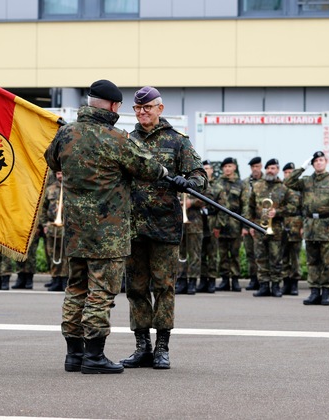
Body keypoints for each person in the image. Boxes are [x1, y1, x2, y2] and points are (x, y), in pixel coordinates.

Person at [45, 79, 168, 374]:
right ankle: (94, 357)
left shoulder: (66, 133)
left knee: (76, 289)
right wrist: (165, 170)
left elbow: (52, 160)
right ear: (114, 106)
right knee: (101, 293)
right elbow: (148, 168)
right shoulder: (116, 138)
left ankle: (73, 355)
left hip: (75, 230)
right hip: (107, 233)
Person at [123, 86, 207, 370]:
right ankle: (141, 346)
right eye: (137, 108)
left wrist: (188, 182)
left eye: (147, 108)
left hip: (164, 227)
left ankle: (162, 347)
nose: (142, 112)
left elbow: (200, 176)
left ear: (160, 108)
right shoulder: (127, 141)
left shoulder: (177, 142)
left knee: (163, 287)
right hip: (133, 227)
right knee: (135, 288)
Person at [285, 151, 329, 306]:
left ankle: (326, 292)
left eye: (321, 160)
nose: (319, 163)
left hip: (327, 224)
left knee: (327, 261)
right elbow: (288, 183)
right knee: (312, 261)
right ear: (313, 164)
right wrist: (302, 167)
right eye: (316, 161)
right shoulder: (306, 181)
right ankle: (314, 291)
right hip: (310, 225)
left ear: (325, 162)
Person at [246, 158, 298, 297]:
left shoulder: (283, 188)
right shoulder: (257, 186)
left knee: (276, 258)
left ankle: (275, 286)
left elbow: (293, 205)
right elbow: (249, 207)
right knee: (260, 257)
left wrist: (278, 212)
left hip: (276, 228)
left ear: (277, 170)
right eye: (268, 168)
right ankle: (263, 285)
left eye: (273, 168)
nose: (270, 170)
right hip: (258, 226)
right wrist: (250, 224)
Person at [210, 157, 249, 292]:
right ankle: (225, 280)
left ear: (235, 168)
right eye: (225, 166)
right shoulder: (217, 183)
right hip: (219, 224)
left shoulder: (241, 184)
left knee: (235, 253)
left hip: (235, 223)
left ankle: (236, 280)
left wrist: (245, 226)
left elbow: (245, 206)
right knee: (222, 253)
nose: (227, 169)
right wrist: (216, 225)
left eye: (230, 166)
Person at [39, 170, 69, 292]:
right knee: (53, 254)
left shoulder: (71, 189)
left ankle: (64, 280)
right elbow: (43, 208)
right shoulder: (50, 189)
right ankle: (55, 279)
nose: (60, 176)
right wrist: (45, 224)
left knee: (65, 256)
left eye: (62, 173)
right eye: (57, 174)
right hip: (52, 227)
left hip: (66, 227)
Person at [175, 191, 205, 295]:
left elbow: (207, 198)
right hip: (178, 224)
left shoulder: (197, 179)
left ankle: (192, 281)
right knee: (180, 255)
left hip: (194, 224)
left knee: (194, 255)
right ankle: (181, 280)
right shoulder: (176, 179)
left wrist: (191, 202)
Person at [280, 162, 303, 296]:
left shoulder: (299, 188)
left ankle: (294, 284)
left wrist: (303, 226)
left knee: (295, 256)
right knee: (283, 255)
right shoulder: (280, 187)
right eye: (286, 172)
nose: (288, 175)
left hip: (296, 224)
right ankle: (286, 282)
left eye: (290, 172)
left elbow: (305, 207)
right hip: (283, 223)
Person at [198, 160, 219, 293]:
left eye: (208, 168)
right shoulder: (198, 183)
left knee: (212, 253)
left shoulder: (218, 186)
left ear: (212, 170)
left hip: (212, 222)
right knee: (201, 253)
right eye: (204, 168)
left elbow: (221, 208)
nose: (206, 170)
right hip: (199, 222)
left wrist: (218, 226)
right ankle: (203, 279)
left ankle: (211, 280)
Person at [243, 156, 263, 291]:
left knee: (261, 253)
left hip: (261, 223)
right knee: (250, 252)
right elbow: (242, 205)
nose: (255, 169)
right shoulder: (245, 183)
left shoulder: (266, 182)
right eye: (253, 167)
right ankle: (253, 278)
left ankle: (263, 279)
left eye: (257, 166)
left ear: (261, 167)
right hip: (246, 221)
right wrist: (244, 226)